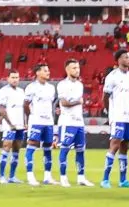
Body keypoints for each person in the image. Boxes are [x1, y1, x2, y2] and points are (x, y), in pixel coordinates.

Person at [102, 50, 129, 189]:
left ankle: (123, 180)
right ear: (118, 60)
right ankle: (105, 179)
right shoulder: (112, 76)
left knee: (125, 146)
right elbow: (105, 97)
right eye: (125, 57)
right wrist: (110, 114)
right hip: (117, 116)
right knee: (115, 144)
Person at [56, 59, 94, 187]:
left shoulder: (80, 85)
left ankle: (81, 177)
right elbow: (64, 103)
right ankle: (63, 177)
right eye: (74, 68)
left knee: (80, 150)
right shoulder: (62, 84)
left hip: (79, 123)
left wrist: (76, 102)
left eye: (78, 68)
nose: (77, 70)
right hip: (67, 122)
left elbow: (71, 101)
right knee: (65, 149)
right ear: (67, 70)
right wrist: (78, 102)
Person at [23, 64, 57, 186]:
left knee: (48, 147)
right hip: (36, 121)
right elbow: (26, 105)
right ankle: (30, 176)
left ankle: (47, 176)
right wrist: (30, 118)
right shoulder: (31, 87)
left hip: (48, 122)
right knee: (32, 145)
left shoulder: (51, 88)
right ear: (37, 72)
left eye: (48, 70)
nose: (48, 72)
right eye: (45, 70)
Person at [0, 71, 25, 184]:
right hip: (9, 125)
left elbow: (24, 108)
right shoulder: (3, 91)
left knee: (17, 149)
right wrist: (10, 123)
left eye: (17, 77)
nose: (15, 79)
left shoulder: (21, 91)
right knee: (6, 146)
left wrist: (25, 122)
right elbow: (2, 109)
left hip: (20, 124)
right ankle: (2, 176)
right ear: (8, 78)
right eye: (13, 77)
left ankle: (12, 176)